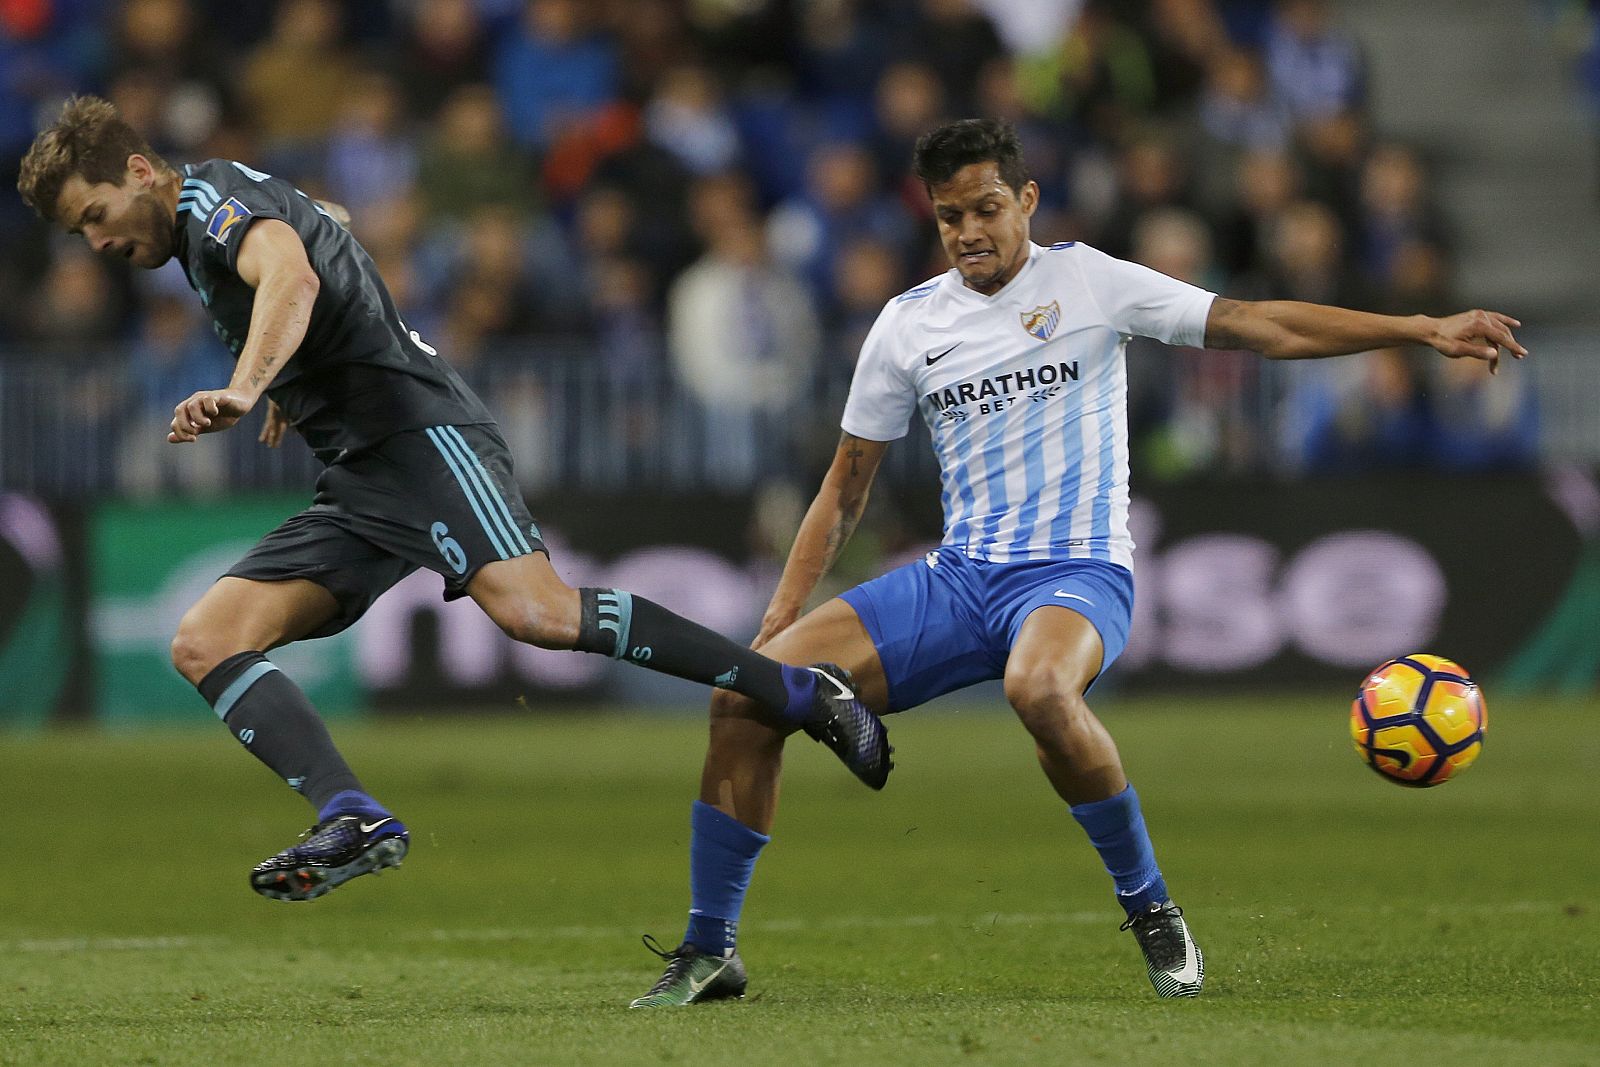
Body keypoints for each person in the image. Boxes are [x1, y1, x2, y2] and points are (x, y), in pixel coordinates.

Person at [630, 118, 1525, 1007]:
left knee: (1039, 688)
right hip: (959, 579)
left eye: (986, 208)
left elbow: (1255, 324)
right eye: (949, 216)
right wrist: (778, 622)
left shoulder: (1090, 281)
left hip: (1078, 572)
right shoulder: (907, 324)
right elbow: (845, 485)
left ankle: (1150, 905)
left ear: (1026, 199)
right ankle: (711, 948)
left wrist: (1419, 328)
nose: (969, 231)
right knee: (741, 697)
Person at [16, 96, 893, 903]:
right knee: (205, 639)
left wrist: (248, 385)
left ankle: (800, 689)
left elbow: (294, 277)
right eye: (77, 232)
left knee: (538, 613)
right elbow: (328, 225)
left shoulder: (213, 211)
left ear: (139, 172)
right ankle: (352, 813)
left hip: (423, 437)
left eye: (93, 216)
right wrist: (288, 376)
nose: (95, 242)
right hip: (363, 477)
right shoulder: (220, 206)